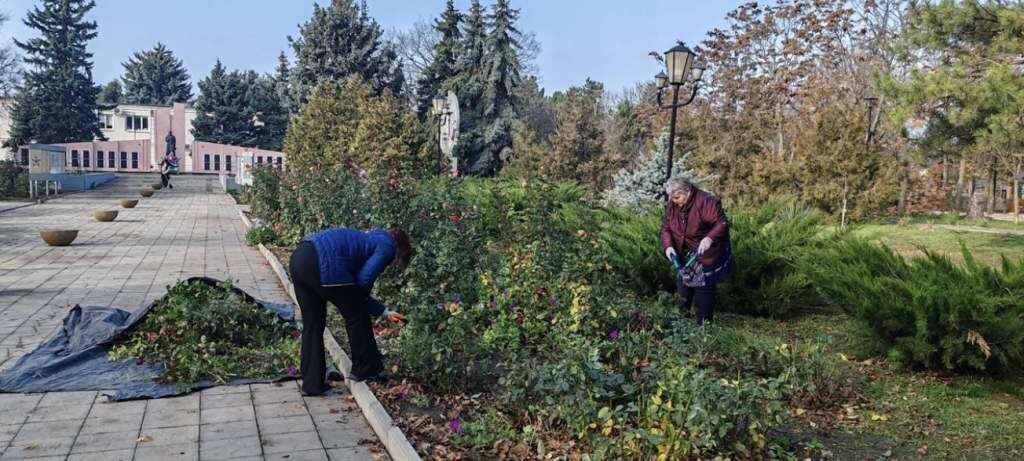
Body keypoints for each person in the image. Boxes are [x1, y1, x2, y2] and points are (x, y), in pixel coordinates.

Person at [288, 227, 412, 396]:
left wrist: (384, 312)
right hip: (324, 264)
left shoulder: (370, 236)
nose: (393, 264)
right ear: (400, 249)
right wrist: (369, 306)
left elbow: (354, 286)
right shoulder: (388, 246)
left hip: (300, 257)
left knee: (313, 324)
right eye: (397, 262)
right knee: (357, 314)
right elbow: (363, 281)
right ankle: (365, 369)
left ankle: (312, 384)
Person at [659, 176, 733, 325]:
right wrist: (668, 247)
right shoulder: (673, 204)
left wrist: (709, 238)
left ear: (688, 191)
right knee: (682, 290)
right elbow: (666, 228)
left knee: (704, 292)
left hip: (705, 254)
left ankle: (703, 328)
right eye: (672, 198)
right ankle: (680, 325)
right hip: (683, 253)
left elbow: (722, 224)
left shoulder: (706, 201)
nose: (674, 202)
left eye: (677, 197)